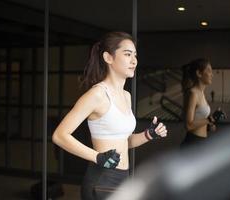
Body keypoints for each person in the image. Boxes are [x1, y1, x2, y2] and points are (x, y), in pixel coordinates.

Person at [52, 31, 168, 200]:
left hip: (123, 177)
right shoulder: (97, 95)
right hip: (102, 180)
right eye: (127, 54)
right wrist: (97, 157)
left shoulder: (126, 96)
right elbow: (59, 135)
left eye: (135, 55)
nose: (134, 61)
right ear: (108, 57)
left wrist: (149, 134)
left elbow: (124, 141)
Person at [181, 58, 215, 146]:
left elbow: (199, 120)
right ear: (199, 73)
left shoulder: (201, 93)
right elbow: (188, 125)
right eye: (209, 71)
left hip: (201, 141)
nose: (212, 75)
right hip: (193, 143)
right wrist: (209, 119)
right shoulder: (193, 94)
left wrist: (209, 125)